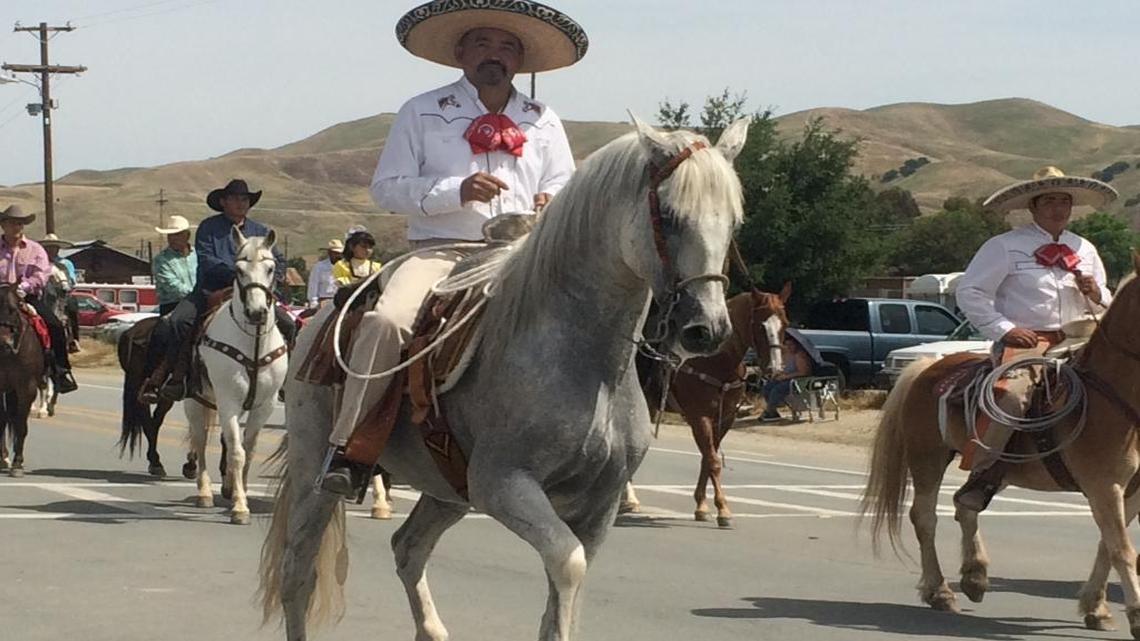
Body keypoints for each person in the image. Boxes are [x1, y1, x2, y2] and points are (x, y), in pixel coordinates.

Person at [320, 0, 586, 496]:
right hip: (441, 251)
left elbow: (565, 182)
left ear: (520, 60)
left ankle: (596, 442)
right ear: (460, 53)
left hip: (524, 254)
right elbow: (387, 188)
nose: (494, 54)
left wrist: (554, 200)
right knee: (387, 321)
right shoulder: (421, 111)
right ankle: (350, 449)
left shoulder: (543, 119)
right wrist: (455, 191)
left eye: (507, 46)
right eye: (482, 43)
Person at [953, 166, 1115, 512]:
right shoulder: (1004, 246)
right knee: (1012, 395)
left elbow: (1108, 299)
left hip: (1080, 336)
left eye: (1064, 201)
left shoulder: (1084, 247)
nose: (1058, 208)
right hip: (1029, 341)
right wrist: (1004, 328)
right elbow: (970, 291)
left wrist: (1096, 292)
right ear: (1033, 207)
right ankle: (985, 471)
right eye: (1049, 201)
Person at [141, 179, 297, 403]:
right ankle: (175, 377)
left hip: (253, 294)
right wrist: (238, 274)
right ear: (223, 202)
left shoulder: (261, 231)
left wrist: (272, 278)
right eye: (235, 199)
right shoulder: (208, 228)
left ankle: (285, 380)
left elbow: (278, 260)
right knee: (179, 322)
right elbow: (207, 259)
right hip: (211, 291)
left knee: (289, 325)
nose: (241, 203)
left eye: (245, 199)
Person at [0, 205, 77, 393]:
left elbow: (41, 275)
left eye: (20, 223)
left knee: (55, 325)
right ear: (3, 225)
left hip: (27, 296)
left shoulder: (35, 249)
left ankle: (61, 371)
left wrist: (25, 287)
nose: (17, 227)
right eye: (12, 223)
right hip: (0, 297)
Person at [40, 233, 81, 353]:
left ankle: (74, 339)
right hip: (42, 292)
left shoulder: (65, 263)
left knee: (72, 307)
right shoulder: (40, 263)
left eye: (54, 247)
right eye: (48, 247)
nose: (51, 250)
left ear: (58, 249)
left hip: (62, 294)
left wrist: (67, 284)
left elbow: (72, 279)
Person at [759, 335, 813, 422]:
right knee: (767, 387)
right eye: (787, 345)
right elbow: (785, 369)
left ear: (796, 345)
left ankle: (769, 411)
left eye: (791, 345)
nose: (789, 347)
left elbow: (803, 373)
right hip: (787, 379)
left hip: (798, 381)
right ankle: (773, 410)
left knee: (777, 390)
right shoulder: (786, 355)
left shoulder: (799, 356)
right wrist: (778, 374)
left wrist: (786, 377)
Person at [152, 215, 198, 316]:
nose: (172, 238)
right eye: (170, 235)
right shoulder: (161, 260)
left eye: (177, 234)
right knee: (179, 322)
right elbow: (172, 286)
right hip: (173, 306)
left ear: (187, 235)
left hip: (200, 302)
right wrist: (197, 294)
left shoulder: (198, 254)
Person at [306, 238, 342, 308]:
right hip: (324, 301)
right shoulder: (319, 267)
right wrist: (313, 302)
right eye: (335, 253)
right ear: (330, 253)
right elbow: (313, 285)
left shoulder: (346, 267)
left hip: (340, 301)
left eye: (340, 253)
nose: (338, 256)